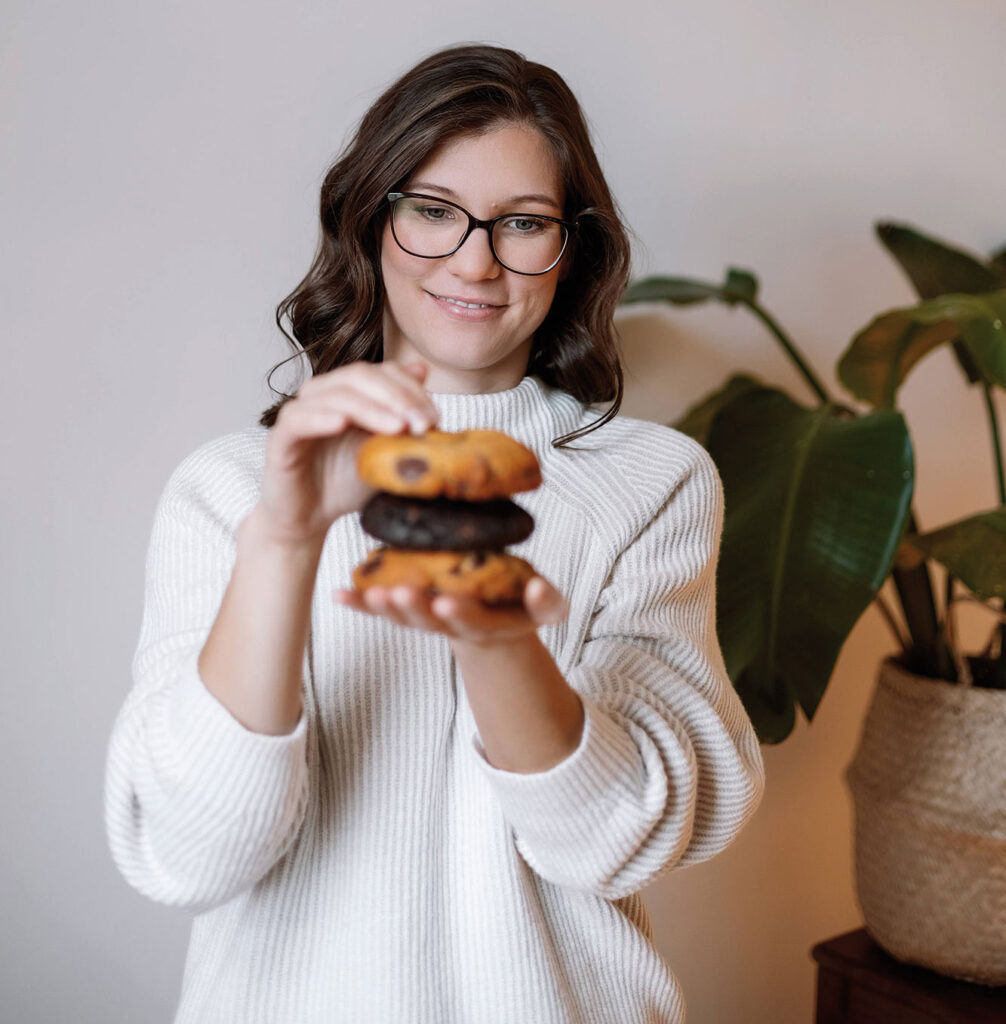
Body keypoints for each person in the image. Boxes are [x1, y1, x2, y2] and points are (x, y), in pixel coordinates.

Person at [104, 42, 765, 1024]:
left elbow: (618, 839)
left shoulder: (651, 484)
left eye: (523, 223)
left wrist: (492, 627)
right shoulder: (231, 489)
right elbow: (187, 854)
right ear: (371, 222)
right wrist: (283, 542)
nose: (474, 260)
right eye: (432, 211)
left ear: (569, 248)